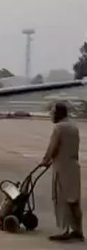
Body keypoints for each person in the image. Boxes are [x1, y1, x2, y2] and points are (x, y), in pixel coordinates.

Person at [41, 101, 84, 242]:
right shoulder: (73, 127)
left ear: (58, 113)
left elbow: (53, 147)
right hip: (73, 165)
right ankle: (78, 230)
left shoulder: (59, 128)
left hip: (62, 167)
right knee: (74, 200)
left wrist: (45, 160)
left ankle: (63, 230)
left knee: (61, 200)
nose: (52, 115)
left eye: (53, 113)